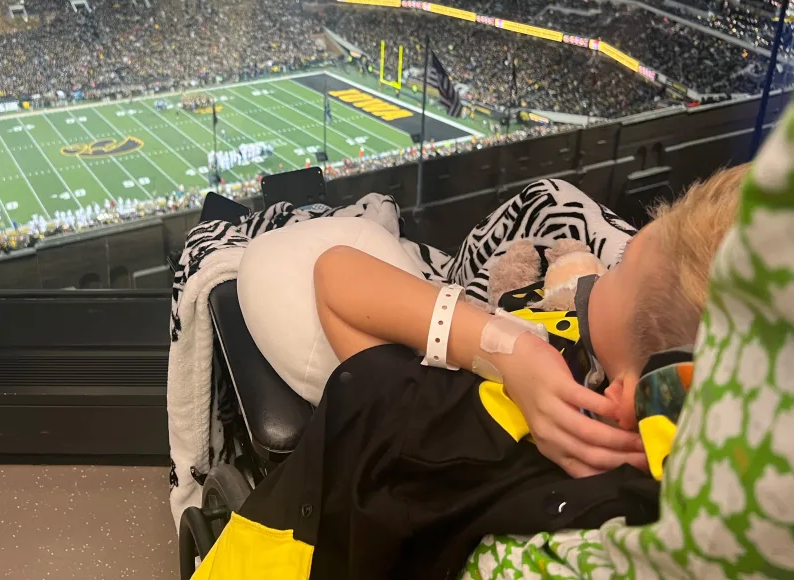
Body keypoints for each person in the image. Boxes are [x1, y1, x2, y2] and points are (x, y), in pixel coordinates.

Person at [239, 169, 746, 479]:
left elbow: (336, 273)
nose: (620, 249)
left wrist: (508, 349)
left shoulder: (460, 419)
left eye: (624, 266)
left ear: (625, 397)